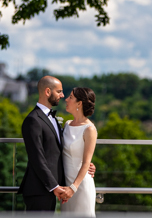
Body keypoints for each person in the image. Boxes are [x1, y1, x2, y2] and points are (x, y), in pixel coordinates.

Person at [19, 76, 95, 212]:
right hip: (40, 189)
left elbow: (61, 150)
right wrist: (54, 186)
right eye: (59, 91)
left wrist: (87, 165)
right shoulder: (33, 120)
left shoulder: (55, 119)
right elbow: (37, 157)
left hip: (58, 189)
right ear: (48, 92)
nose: (63, 95)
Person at [60, 87, 98, 216]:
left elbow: (86, 162)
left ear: (79, 103)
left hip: (80, 187)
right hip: (65, 186)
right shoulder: (67, 124)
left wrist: (73, 188)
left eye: (70, 97)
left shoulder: (90, 129)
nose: (66, 99)